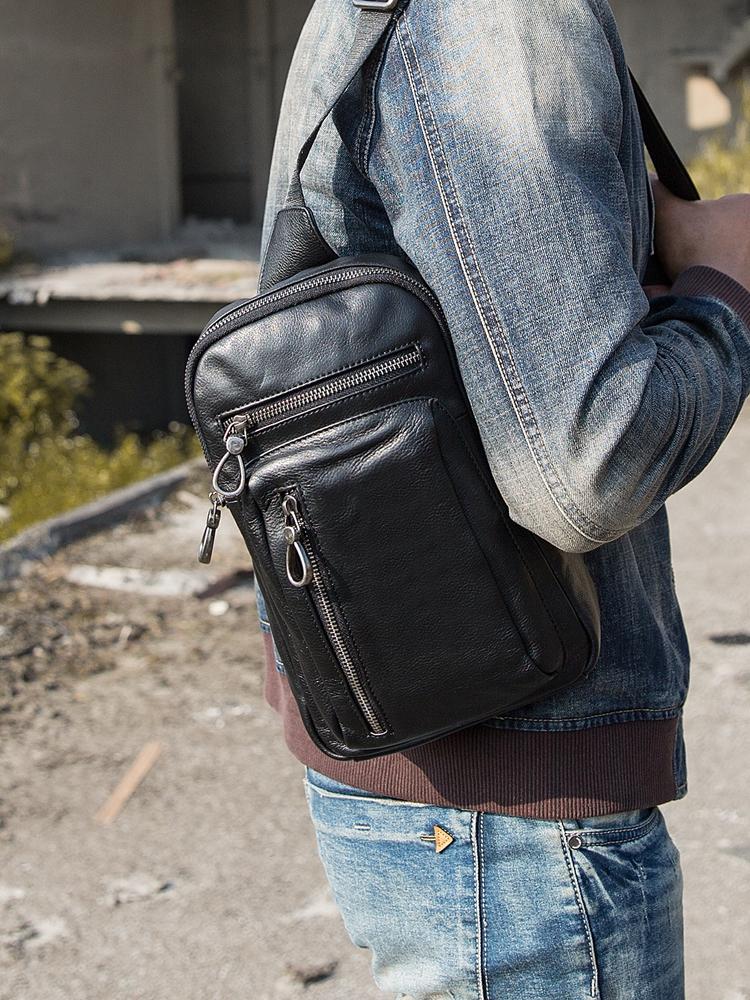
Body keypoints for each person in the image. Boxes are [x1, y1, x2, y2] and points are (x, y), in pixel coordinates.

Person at [256, 1, 750, 996]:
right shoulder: (495, 18)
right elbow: (584, 470)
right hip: (513, 813)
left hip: (437, 765)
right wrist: (725, 286)